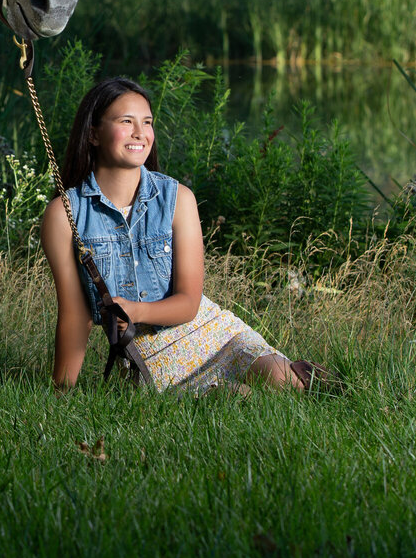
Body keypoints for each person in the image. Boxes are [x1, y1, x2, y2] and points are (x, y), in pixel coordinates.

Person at [40, 76, 306, 393]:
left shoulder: (178, 199)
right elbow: (75, 314)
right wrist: (60, 392)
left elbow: (189, 302)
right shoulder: (64, 214)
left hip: (214, 334)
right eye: (126, 121)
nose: (141, 132)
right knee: (236, 397)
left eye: (147, 122)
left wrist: (137, 311)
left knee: (283, 381)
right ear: (94, 133)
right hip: (155, 362)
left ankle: (312, 377)